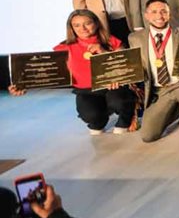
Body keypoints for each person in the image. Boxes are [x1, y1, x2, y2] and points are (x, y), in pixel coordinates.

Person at [8, 10, 137, 135]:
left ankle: (127, 117)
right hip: (86, 91)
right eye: (77, 25)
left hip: (113, 87)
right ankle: (99, 119)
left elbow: (126, 65)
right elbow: (47, 72)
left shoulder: (111, 41)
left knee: (119, 101)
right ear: (71, 28)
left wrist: (103, 52)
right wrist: (24, 85)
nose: (83, 28)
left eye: (88, 23)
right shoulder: (63, 48)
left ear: (96, 23)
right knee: (91, 116)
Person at [129, 0, 179, 142]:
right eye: (154, 12)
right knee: (148, 136)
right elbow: (137, 67)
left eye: (164, 11)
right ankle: (176, 110)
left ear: (169, 14)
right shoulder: (135, 38)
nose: (159, 16)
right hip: (159, 90)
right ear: (146, 15)